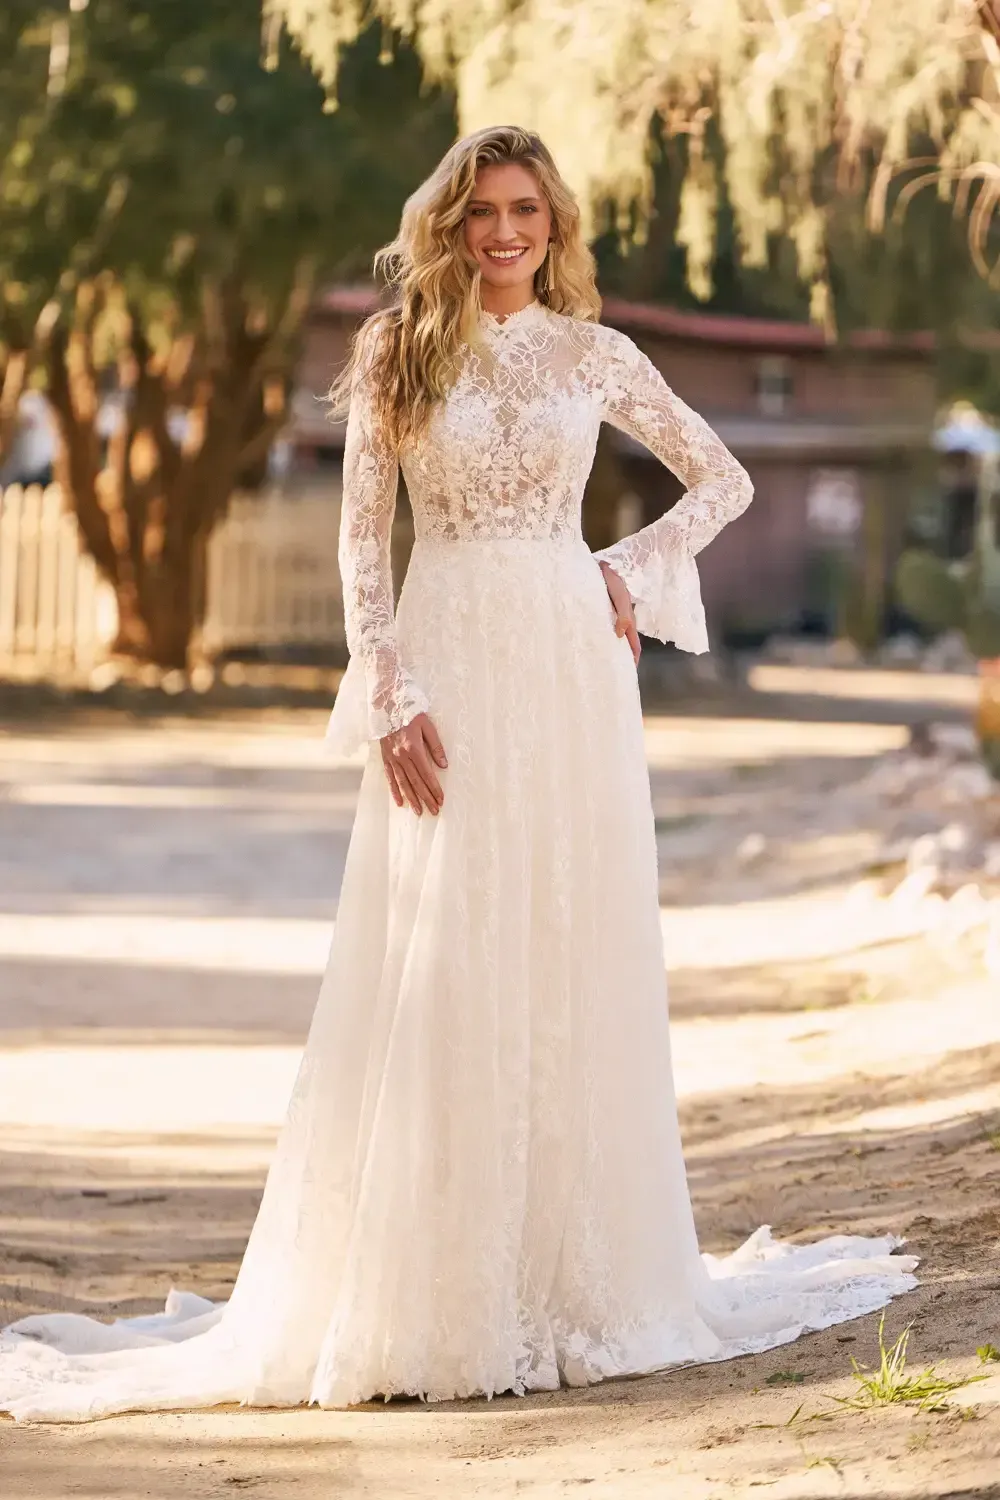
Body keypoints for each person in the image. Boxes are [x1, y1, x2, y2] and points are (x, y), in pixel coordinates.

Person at [0, 125, 916, 1423]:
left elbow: (722, 477)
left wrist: (623, 568)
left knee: (562, 935)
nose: (502, 232)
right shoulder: (398, 348)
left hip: (565, 659)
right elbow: (363, 540)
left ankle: (576, 1272)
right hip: (447, 662)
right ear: (450, 220)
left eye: (526, 211)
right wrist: (390, 687)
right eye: (483, 209)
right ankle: (432, 1277)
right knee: (439, 944)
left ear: (556, 225)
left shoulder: (596, 352)